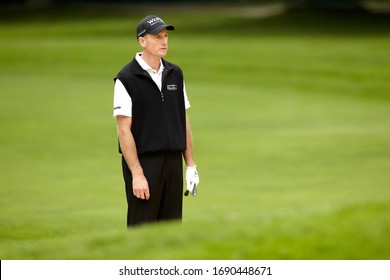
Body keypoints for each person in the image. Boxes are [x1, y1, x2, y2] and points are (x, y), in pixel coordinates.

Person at [113, 15, 199, 227]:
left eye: (166, 36)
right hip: (145, 164)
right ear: (142, 41)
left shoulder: (175, 73)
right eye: (157, 37)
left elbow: (182, 120)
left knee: (170, 230)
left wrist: (190, 165)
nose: (164, 41)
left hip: (172, 164)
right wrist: (138, 175)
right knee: (142, 230)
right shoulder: (126, 78)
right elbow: (124, 131)